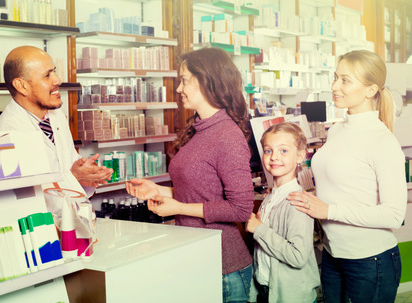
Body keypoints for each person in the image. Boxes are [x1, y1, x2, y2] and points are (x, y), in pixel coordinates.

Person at [125, 47, 255, 303]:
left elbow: (240, 209)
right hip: (197, 256)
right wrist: (158, 190)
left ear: (207, 81)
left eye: (184, 80)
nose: (179, 89)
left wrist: (179, 207)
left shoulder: (227, 136)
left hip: (224, 267)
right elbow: (203, 191)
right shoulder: (198, 130)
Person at [288, 50, 407, 303]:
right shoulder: (337, 130)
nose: (334, 86)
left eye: (345, 80)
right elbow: (341, 187)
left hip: (369, 261)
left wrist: (328, 210)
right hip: (333, 255)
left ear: (370, 90)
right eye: (335, 77)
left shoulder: (382, 141)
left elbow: (394, 215)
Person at [0, 46, 112, 197]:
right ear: (22, 86)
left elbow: (68, 165)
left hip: (69, 215)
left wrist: (86, 175)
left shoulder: (56, 116)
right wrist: (73, 178)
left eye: (54, 71)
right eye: (47, 75)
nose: (58, 80)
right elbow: (24, 197)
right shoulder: (4, 135)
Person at [246, 122, 320, 303]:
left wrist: (259, 229)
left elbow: (298, 256)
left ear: (300, 156)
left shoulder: (296, 202)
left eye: (284, 151)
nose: (274, 157)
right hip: (267, 289)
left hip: (290, 296)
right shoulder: (271, 197)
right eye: (268, 150)